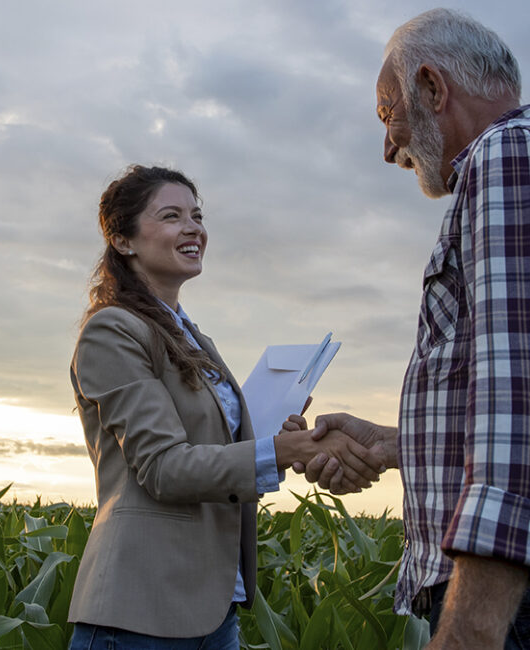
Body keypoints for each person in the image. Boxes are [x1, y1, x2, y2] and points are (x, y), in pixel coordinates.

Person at [301, 8, 530, 649]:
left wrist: (468, 631)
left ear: (435, 89)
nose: (389, 148)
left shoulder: (511, 156)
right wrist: (390, 444)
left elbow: (529, 404)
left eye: (389, 115)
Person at [67, 164, 379, 649]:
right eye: (172, 216)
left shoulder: (195, 338)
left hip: (215, 611)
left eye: (197, 215)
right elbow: (163, 467)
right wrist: (279, 450)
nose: (193, 228)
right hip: (141, 611)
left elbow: (215, 456)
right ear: (123, 239)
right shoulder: (112, 330)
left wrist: (280, 435)